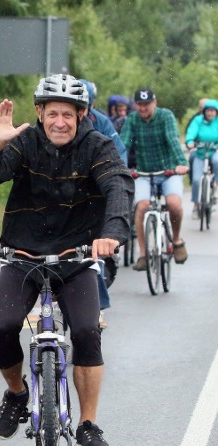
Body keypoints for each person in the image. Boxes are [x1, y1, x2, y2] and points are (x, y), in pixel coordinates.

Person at [0, 74, 134, 446]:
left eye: (69, 114)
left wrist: (110, 233)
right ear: (40, 113)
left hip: (76, 258)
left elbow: (118, 187)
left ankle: (87, 424)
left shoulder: (98, 146)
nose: (60, 122)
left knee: (88, 330)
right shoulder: (24, 142)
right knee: (3, 325)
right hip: (24, 255)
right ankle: (16, 393)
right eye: (52, 113)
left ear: (82, 115)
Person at [120, 87, 189, 270]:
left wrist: (181, 163)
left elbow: (172, 139)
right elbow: (123, 143)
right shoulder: (132, 120)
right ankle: (143, 254)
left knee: (174, 203)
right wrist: (117, 166)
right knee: (141, 207)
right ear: (136, 105)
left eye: (147, 104)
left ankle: (176, 240)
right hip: (144, 172)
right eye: (140, 105)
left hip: (168, 171)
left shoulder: (166, 116)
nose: (143, 108)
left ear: (155, 103)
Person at [80, 79, 128, 329]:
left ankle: (95, 307)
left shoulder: (102, 124)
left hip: (94, 191)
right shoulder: (52, 128)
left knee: (91, 256)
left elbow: (119, 154)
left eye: (83, 107)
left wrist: (114, 179)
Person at [185, 99, 218, 219]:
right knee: (196, 180)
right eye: (208, 111)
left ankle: (215, 184)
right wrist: (190, 142)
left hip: (214, 151)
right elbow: (191, 132)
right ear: (204, 111)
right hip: (200, 152)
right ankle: (195, 205)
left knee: (216, 161)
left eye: (213, 111)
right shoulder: (197, 120)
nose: (210, 113)